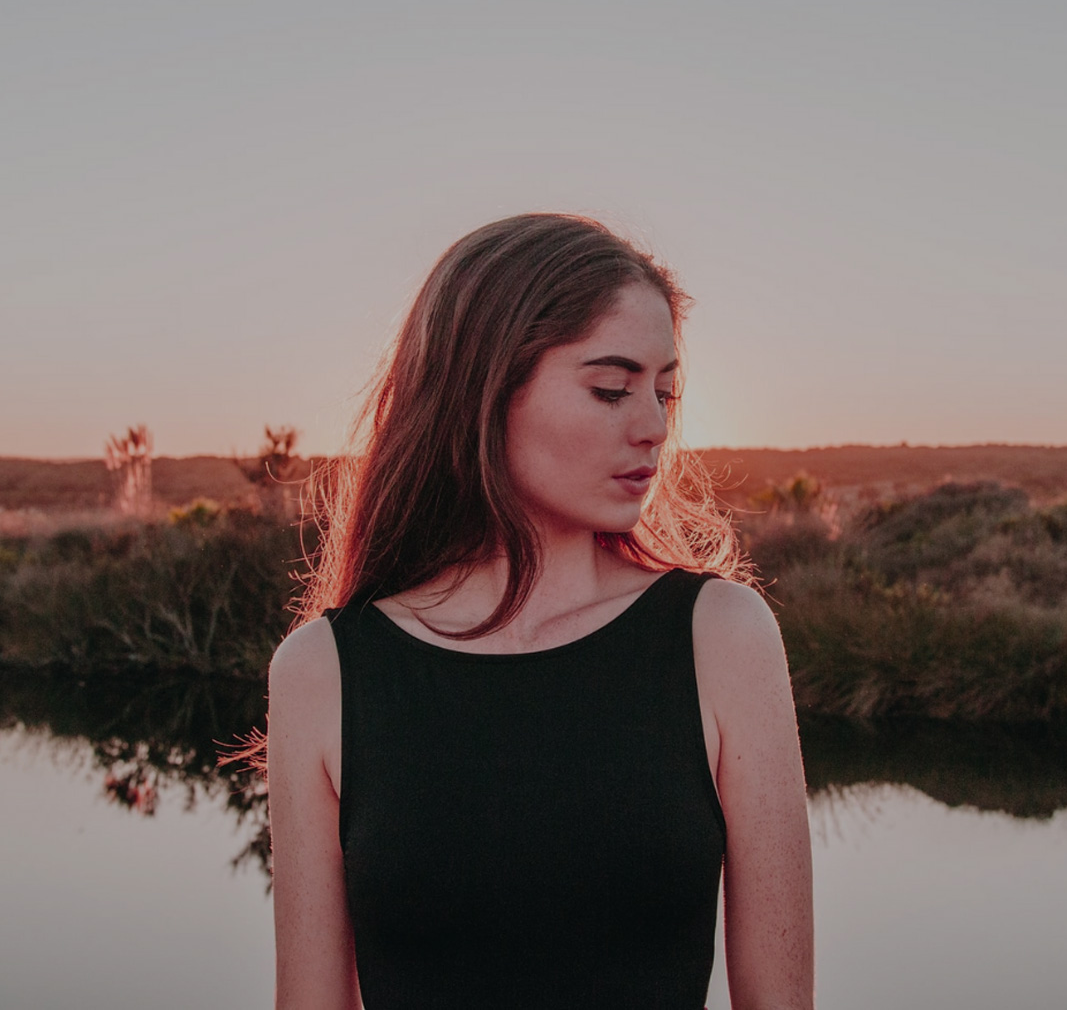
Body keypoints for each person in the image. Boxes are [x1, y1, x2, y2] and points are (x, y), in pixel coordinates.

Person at [265, 213, 814, 1009]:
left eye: (664, 391)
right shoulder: (325, 671)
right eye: (611, 388)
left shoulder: (721, 638)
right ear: (484, 388)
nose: (655, 426)